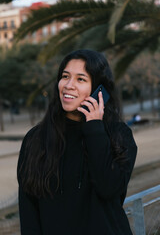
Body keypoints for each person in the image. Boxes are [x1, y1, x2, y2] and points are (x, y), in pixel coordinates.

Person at [17, 49, 137, 235]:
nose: (69, 85)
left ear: (100, 89)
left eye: (81, 79)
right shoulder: (35, 139)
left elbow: (109, 188)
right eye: (65, 76)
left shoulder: (119, 135)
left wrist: (94, 128)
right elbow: (29, 211)